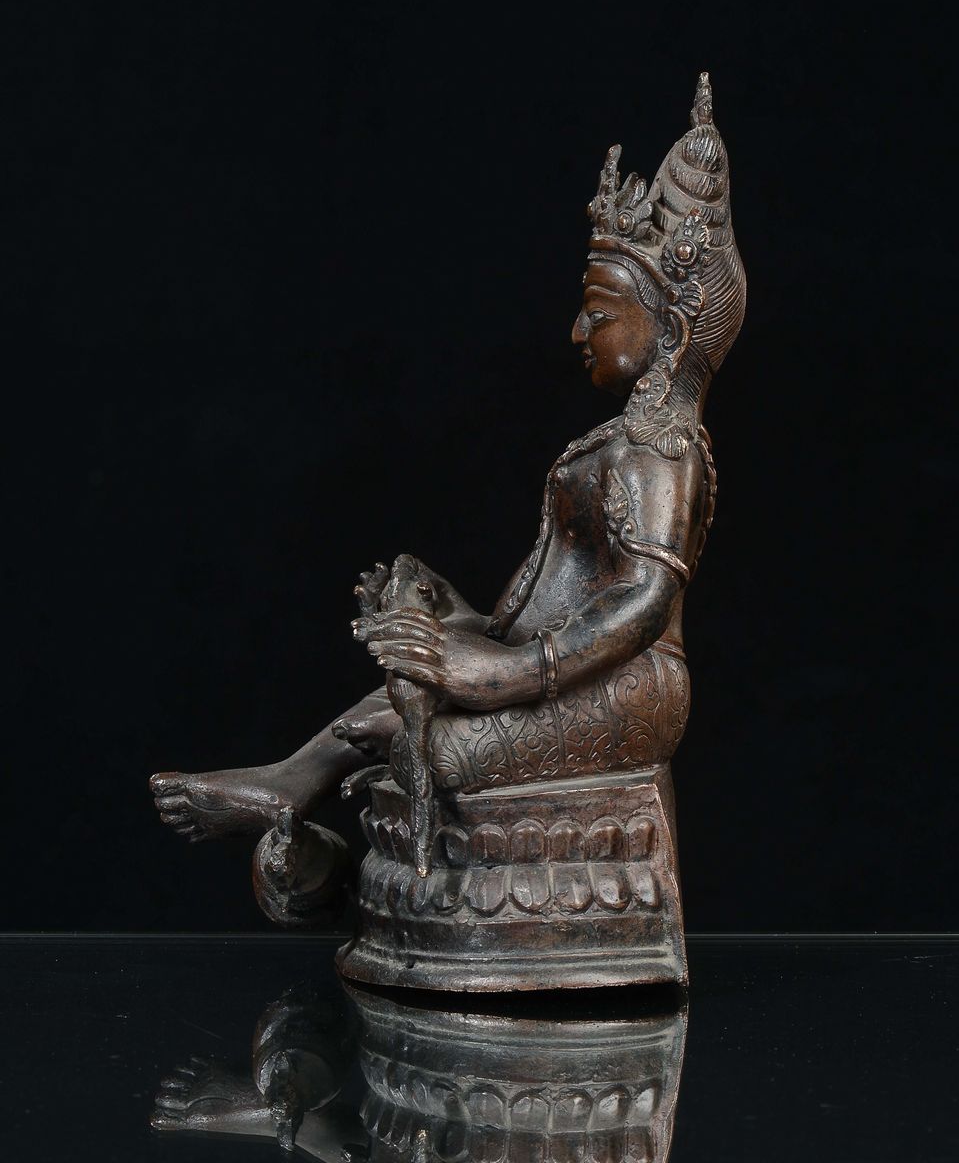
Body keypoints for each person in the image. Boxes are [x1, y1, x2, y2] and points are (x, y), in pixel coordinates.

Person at [151, 73, 744, 844]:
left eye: (598, 314)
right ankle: (289, 783)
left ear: (669, 329)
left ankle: (313, 840)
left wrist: (512, 670)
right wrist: (462, 619)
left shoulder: (661, 448)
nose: (577, 332)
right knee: (406, 688)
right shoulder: (619, 441)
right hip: (569, 663)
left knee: (426, 747)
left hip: (630, 689)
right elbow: (568, 592)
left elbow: (644, 596)